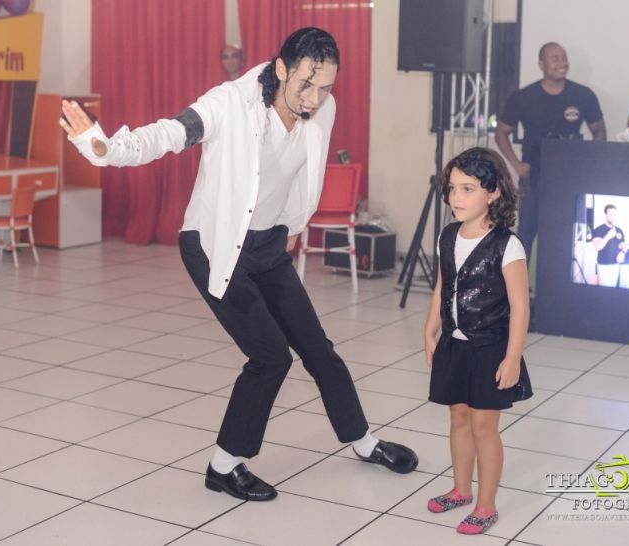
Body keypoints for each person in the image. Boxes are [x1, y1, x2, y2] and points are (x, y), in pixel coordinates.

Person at [59, 27, 418, 502]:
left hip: (270, 245)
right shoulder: (230, 102)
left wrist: (291, 224)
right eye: (305, 85)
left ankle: (363, 441)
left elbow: (300, 172)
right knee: (270, 356)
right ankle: (224, 465)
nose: (314, 98)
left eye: (326, 87)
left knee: (320, 350)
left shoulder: (322, 108)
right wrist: (102, 147)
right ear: (282, 68)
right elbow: (168, 134)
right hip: (215, 246)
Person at [423, 148, 533, 535]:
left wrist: (513, 356)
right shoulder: (448, 235)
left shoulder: (508, 245)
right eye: (452, 188)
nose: (456, 197)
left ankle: (486, 505)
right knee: (458, 417)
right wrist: (429, 329)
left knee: (484, 426)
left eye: (468, 189)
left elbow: (520, 306)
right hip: (454, 342)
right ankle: (460, 489)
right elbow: (442, 286)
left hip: (490, 348)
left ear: (493, 193)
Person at [495, 42, 606, 259]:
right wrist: (517, 165)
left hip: (570, 180)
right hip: (533, 177)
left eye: (564, 58)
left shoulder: (583, 95)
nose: (562, 63)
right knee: (526, 235)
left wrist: (588, 163)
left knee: (564, 235)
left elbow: (599, 131)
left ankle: (555, 293)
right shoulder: (523, 97)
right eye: (555, 58)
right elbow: (501, 133)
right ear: (541, 64)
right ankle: (517, 291)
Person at [591, 204, 627, 287]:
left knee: (613, 289)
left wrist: (622, 253)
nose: (613, 217)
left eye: (614, 215)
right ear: (605, 215)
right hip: (604, 265)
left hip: (616, 265)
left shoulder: (619, 230)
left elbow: (624, 247)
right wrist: (608, 236)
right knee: (605, 292)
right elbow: (597, 247)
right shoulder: (598, 230)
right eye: (610, 215)